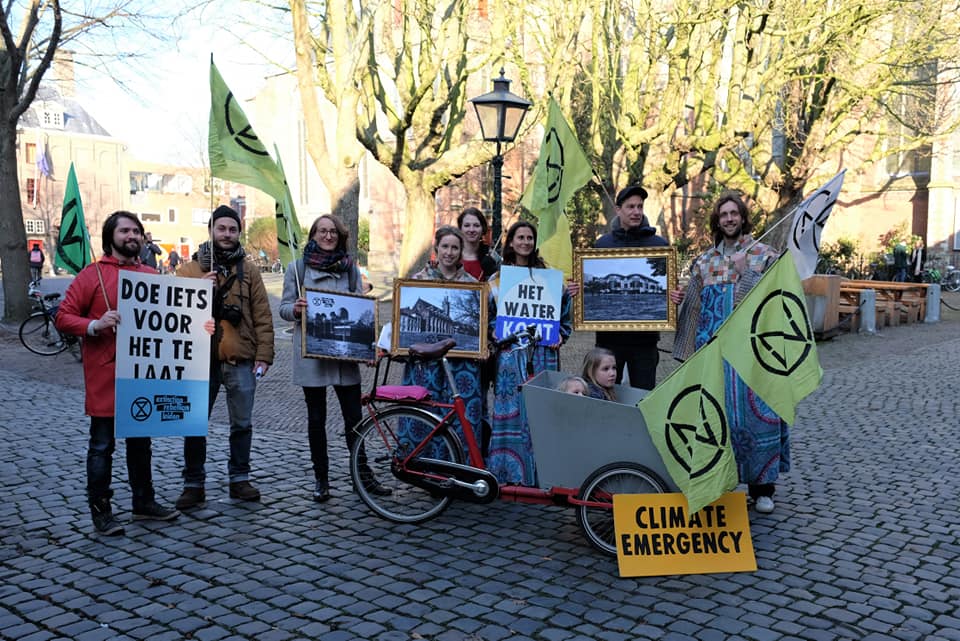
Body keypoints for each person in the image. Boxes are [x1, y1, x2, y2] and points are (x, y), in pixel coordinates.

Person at [54, 211, 180, 535]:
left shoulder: (152, 274)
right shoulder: (90, 275)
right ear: (111, 236)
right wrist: (95, 325)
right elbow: (64, 317)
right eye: (125, 230)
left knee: (141, 444)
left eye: (137, 231)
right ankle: (101, 511)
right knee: (101, 446)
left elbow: (174, 321)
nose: (132, 236)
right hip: (106, 377)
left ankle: (144, 503)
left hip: (142, 375)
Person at [671, 191, 785, 514]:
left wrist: (743, 272)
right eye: (724, 215)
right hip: (712, 353)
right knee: (715, 419)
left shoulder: (764, 255)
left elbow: (773, 300)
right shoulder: (703, 262)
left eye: (734, 213)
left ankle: (763, 488)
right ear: (717, 221)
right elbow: (692, 307)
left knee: (758, 418)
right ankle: (720, 482)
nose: (729, 219)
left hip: (752, 354)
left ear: (743, 217)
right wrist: (684, 351)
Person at [278, 215, 390, 503]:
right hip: (312, 355)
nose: (328, 236)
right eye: (322, 231)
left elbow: (358, 309)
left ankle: (361, 477)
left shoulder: (350, 268)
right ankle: (322, 479)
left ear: (341, 237)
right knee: (316, 419)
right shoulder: (297, 267)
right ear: (313, 235)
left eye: (333, 232)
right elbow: (284, 309)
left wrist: (366, 345)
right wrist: (297, 309)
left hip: (344, 356)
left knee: (354, 418)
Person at [175, 205, 275, 509]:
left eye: (233, 229)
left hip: (240, 358)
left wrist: (265, 355)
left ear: (238, 233)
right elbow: (175, 317)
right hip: (199, 361)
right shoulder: (188, 271)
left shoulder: (251, 270)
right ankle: (193, 483)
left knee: (242, 424)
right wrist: (198, 291)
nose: (227, 234)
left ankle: (239, 479)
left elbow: (262, 316)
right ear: (211, 230)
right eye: (222, 228)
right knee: (194, 424)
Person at [487, 221, 572, 486]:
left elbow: (563, 314)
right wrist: (493, 332)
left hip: (542, 355)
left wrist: (561, 334)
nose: (525, 242)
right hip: (510, 357)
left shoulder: (548, 277)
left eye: (530, 238)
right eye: (520, 237)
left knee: (541, 411)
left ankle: (542, 473)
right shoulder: (496, 280)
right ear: (510, 242)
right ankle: (507, 471)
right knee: (509, 412)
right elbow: (487, 316)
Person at [400, 226, 484, 459]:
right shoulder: (418, 280)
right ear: (436, 248)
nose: (449, 252)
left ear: (461, 251)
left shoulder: (471, 283)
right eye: (445, 246)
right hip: (425, 365)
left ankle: (458, 463)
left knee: (459, 414)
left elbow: (482, 322)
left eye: (455, 247)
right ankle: (422, 464)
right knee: (426, 411)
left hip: (460, 364)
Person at [593, 184, 669, 390]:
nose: (636, 212)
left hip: (645, 341)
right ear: (619, 210)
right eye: (630, 207)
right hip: (609, 340)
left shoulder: (659, 246)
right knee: (606, 393)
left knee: (643, 394)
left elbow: (666, 289)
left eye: (640, 206)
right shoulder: (602, 245)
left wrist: (672, 297)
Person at [457, 207, 500, 281]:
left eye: (476, 225)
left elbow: (502, 284)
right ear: (460, 228)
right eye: (467, 225)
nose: (471, 230)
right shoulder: (452, 253)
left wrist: (493, 272)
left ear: (483, 228)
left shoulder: (492, 255)